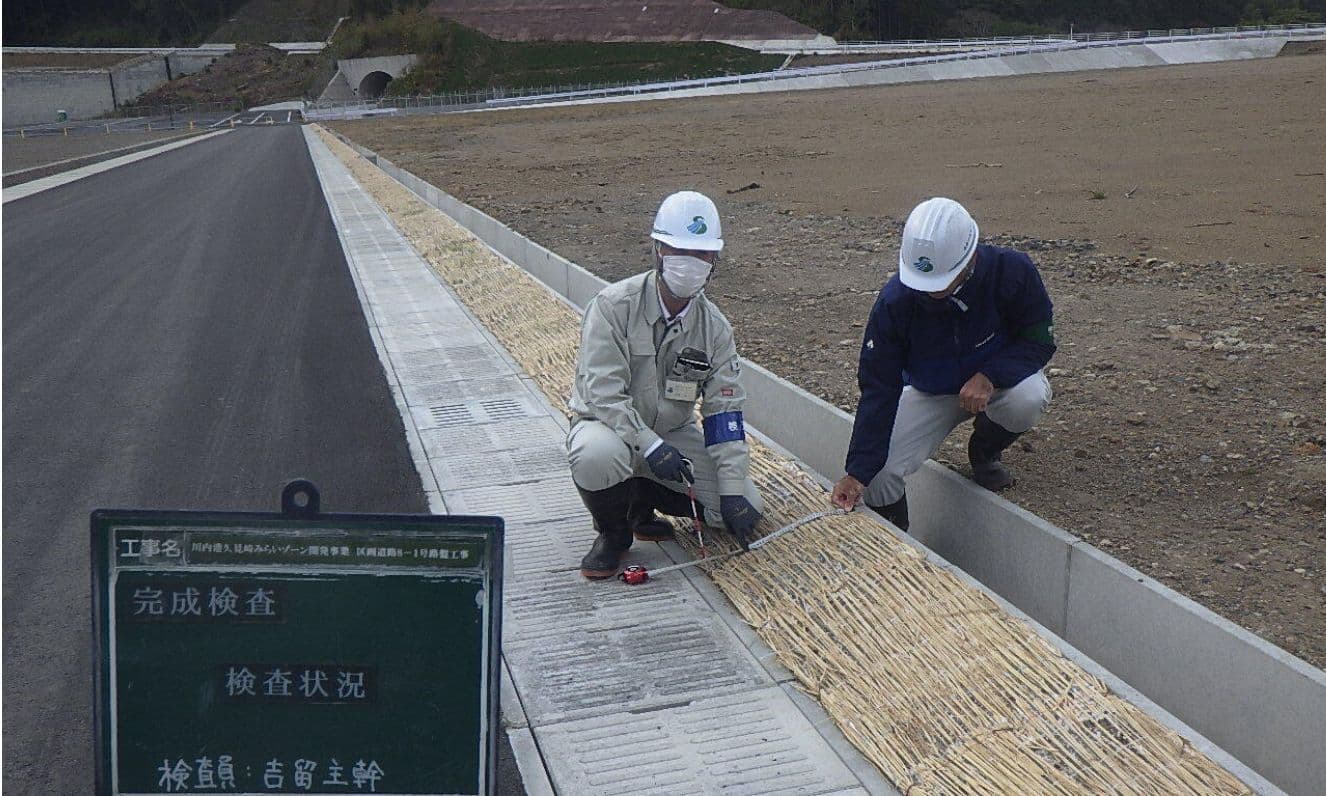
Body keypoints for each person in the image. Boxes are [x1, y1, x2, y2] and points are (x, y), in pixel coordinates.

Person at [567, 190, 764, 579]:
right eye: (679, 251)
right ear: (657, 248)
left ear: (715, 260)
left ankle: (640, 498)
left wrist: (730, 490)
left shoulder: (715, 330)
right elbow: (603, 393)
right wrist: (649, 445)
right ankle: (614, 532)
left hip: (672, 434)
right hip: (608, 427)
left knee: (745, 506)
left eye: (703, 255)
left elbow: (724, 411)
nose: (691, 264)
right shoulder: (612, 306)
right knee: (595, 456)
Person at [831, 197, 1056, 530]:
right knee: (879, 476)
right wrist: (859, 471)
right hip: (930, 389)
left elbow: (1038, 340)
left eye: (940, 282)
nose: (931, 293)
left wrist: (991, 375)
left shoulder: (1012, 271)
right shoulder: (895, 302)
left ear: (969, 260)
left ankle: (984, 450)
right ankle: (897, 554)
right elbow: (879, 387)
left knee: (1029, 398)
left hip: (996, 384)